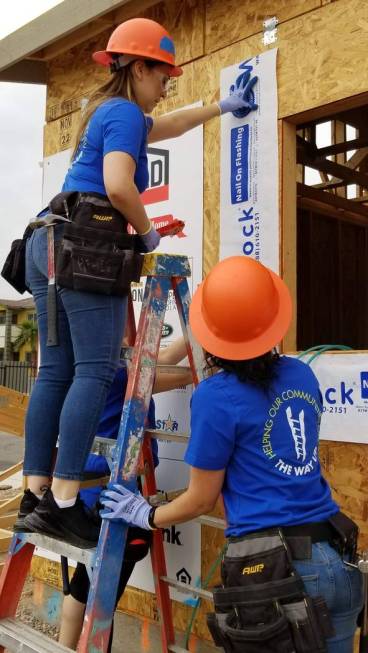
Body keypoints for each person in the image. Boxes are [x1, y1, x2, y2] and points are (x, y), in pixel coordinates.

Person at [17, 17, 258, 547]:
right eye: (163, 73)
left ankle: (36, 495)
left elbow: (169, 124)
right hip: (83, 246)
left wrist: (222, 107)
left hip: (47, 241)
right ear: (139, 67)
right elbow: (118, 185)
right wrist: (147, 235)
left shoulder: (111, 113)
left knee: (55, 371)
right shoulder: (125, 112)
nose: (168, 83)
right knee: (97, 369)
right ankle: (62, 500)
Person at [100, 256, 363, 653]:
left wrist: (147, 514)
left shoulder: (215, 398)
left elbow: (201, 499)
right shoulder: (301, 374)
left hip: (280, 576)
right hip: (336, 558)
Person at [57, 337, 191, 651]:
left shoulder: (91, 364)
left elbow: (160, 362)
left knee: (85, 584)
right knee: (97, 592)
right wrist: (203, 370)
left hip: (92, 483)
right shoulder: (116, 368)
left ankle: (65, 646)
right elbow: (156, 371)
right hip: (117, 488)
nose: (129, 338)